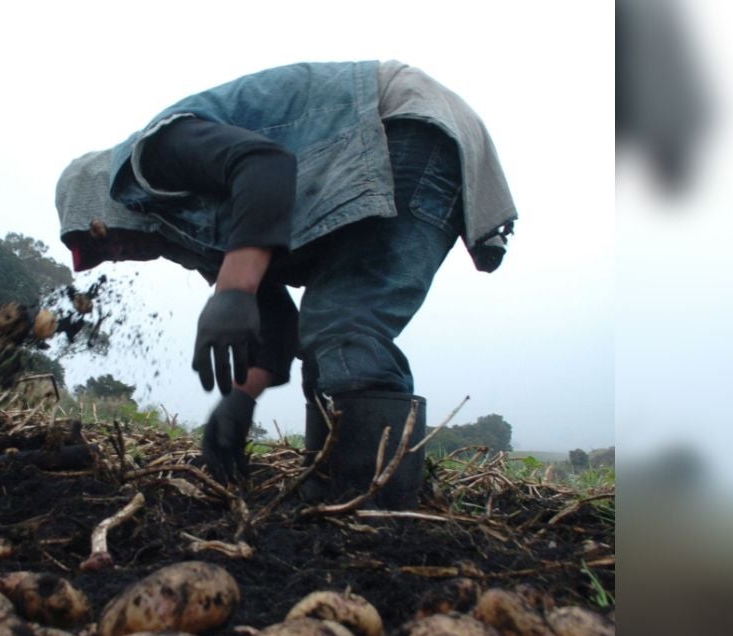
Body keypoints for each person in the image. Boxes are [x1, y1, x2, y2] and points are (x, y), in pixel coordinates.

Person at [55, 60, 516, 505]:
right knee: (329, 332)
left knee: (343, 324)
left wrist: (233, 292)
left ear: (102, 199)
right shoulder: (205, 236)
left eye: (97, 239)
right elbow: (276, 325)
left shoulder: (154, 154)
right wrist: (239, 402)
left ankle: (376, 513)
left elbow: (265, 164)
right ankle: (334, 496)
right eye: (97, 259)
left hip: (399, 124)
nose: (112, 256)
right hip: (403, 138)